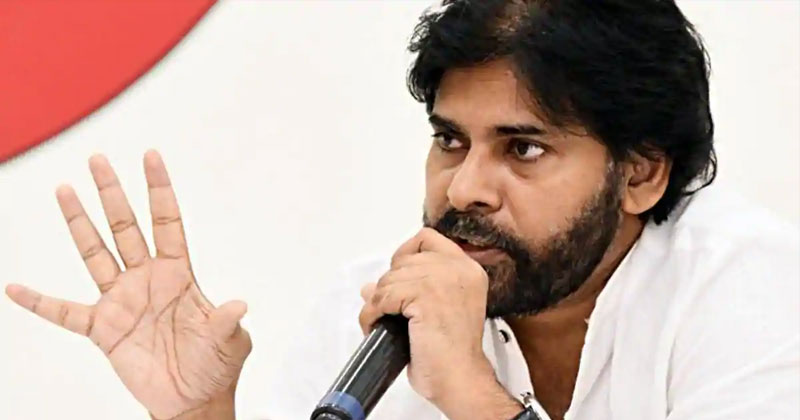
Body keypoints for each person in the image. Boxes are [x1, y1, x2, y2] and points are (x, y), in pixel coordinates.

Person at [5, 1, 799, 419]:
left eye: (523, 149)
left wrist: (474, 396)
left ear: (642, 174)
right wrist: (199, 415)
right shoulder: (376, 308)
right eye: (450, 141)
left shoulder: (750, 291)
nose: (464, 189)